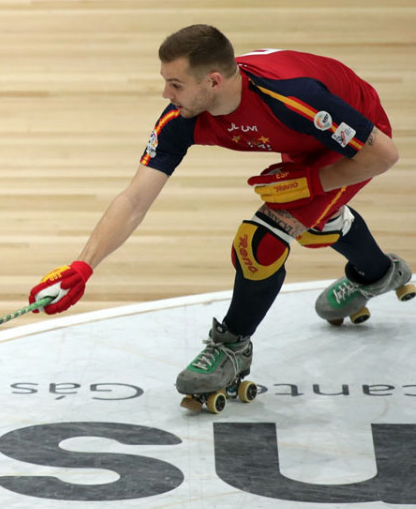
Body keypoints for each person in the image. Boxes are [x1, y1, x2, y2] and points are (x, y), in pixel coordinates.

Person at [28, 24, 412, 409]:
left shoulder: (293, 98)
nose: (165, 93)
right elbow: (134, 200)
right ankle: (378, 274)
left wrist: (312, 181)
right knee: (314, 224)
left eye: (175, 84)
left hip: (357, 141)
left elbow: (384, 156)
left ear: (213, 81)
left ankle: (232, 347)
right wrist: (83, 266)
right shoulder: (182, 117)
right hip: (299, 140)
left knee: (259, 242)